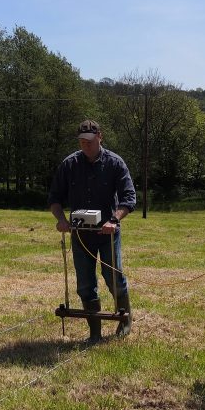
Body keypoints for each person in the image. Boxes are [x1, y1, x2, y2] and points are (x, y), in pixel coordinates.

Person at [49, 119, 136, 343]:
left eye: (89, 141)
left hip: (107, 234)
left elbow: (128, 198)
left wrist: (114, 220)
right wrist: (61, 220)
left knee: (113, 278)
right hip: (80, 235)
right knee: (85, 284)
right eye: (81, 141)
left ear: (100, 137)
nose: (85, 145)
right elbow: (55, 198)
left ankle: (124, 321)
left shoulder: (115, 163)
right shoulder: (69, 165)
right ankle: (95, 332)